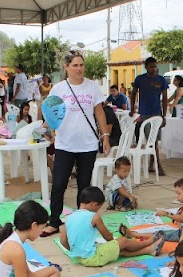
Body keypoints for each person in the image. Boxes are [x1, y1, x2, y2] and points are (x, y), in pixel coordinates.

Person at [41, 50, 111, 238]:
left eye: (81, 65)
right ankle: (54, 221)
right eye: (75, 65)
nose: (79, 69)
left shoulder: (92, 87)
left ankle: (82, 222)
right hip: (65, 144)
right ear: (66, 67)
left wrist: (105, 136)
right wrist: (50, 129)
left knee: (84, 186)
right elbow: (49, 111)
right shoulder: (59, 89)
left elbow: (99, 113)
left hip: (87, 145)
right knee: (58, 184)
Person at [59, 186, 165, 267]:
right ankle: (148, 242)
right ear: (94, 204)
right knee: (123, 241)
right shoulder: (94, 217)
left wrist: (77, 251)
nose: (98, 210)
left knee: (119, 250)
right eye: (99, 207)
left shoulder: (69, 218)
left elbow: (63, 241)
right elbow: (107, 237)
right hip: (93, 257)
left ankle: (150, 250)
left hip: (80, 258)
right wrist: (112, 238)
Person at [121, 177, 183, 243]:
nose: (177, 196)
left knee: (160, 235)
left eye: (179, 194)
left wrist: (167, 214)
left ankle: (134, 234)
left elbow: (182, 218)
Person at [129, 57, 168, 176]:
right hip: (145, 114)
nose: (154, 69)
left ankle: (152, 164)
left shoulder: (161, 80)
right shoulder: (140, 79)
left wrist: (164, 115)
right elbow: (133, 93)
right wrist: (132, 108)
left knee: (154, 140)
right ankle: (158, 165)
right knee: (152, 141)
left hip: (157, 113)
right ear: (146, 67)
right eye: (151, 66)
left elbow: (165, 98)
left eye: (155, 66)